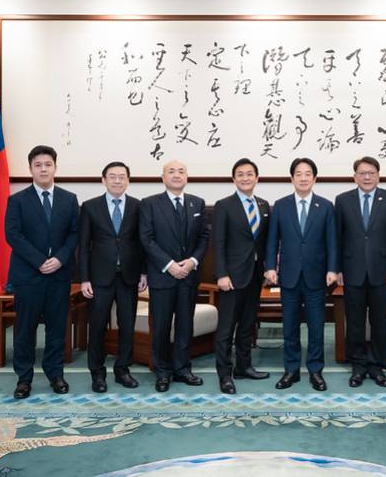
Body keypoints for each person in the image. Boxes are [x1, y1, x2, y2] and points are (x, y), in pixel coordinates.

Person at [5, 145, 79, 399]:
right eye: (38, 165)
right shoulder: (17, 201)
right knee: (25, 329)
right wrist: (40, 261)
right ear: (31, 169)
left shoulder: (69, 199)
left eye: (48, 164)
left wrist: (59, 259)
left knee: (57, 328)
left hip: (59, 274)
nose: (44, 169)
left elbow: (74, 234)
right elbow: (13, 235)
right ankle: (24, 378)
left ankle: (55, 374)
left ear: (55, 167)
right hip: (28, 276)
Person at [265, 158, 338, 391]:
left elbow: (332, 242)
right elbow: (271, 241)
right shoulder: (281, 205)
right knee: (290, 326)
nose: (303, 178)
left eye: (308, 174)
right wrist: (269, 267)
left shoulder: (326, 206)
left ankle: (316, 371)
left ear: (315, 178)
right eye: (299, 174)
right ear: (292, 178)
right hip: (289, 276)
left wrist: (332, 269)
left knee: (317, 326)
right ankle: (291, 370)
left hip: (317, 276)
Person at [139, 160, 210, 392]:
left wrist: (192, 262)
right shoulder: (149, 204)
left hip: (188, 276)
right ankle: (162, 372)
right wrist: (169, 265)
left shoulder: (197, 203)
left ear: (187, 177)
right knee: (160, 326)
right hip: (162, 277)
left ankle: (182, 369)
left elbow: (203, 239)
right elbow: (146, 239)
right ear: (163, 177)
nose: (177, 175)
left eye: (181, 171)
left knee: (184, 325)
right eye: (171, 171)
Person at [79, 161, 147, 393]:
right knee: (97, 326)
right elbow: (84, 246)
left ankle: (122, 370)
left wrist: (144, 273)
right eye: (112, 176)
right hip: (99, 278)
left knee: (127, 325)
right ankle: (97, 374)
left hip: (129, 276)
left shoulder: (138, 207)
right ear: (103, 180)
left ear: (128, 180)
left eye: (122, 177)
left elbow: (142, 243)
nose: (117, 180)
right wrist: (85, 278)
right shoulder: (90, 207)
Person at [335, 156, 386, 388]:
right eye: (362, 173)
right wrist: (337, 269)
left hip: (383, 272)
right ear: (354, 176)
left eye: (371, 172)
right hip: (352, 270)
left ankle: (377, 365)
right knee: (354, 321)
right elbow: (338, 238)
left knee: (378, 321)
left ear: (378, 175)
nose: (366, 177)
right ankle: (358, 366)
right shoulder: (343, 200)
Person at [213, 158, 271, 394]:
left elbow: (265, 242)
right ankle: (225, 374)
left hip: (255, 276)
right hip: (232, 277)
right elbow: (218, 243)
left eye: (249, 174)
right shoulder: (224, 205)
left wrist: (268, 268)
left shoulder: (264, 205)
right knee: (227, 327)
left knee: (248, 324)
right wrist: (222, 274)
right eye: (240, 174)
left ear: (257, 178)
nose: (245, 178)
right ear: (234, 179)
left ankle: (244, 366)